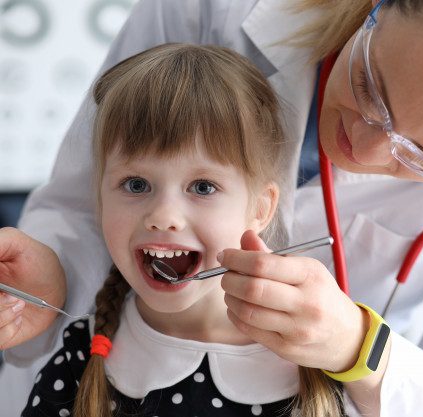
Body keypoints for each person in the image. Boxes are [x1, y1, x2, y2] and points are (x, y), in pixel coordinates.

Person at [1, 0, 423, 416]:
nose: (367, 144)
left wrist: (360, 347)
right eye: (370, 87)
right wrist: (55, 274)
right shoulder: (221, 10)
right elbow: (86, 198)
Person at [20, 42, 356, 417]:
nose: (163, 216)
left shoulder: (314, 360)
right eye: (135, 184)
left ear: (260, 208)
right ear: (99, 198)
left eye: (202, 187)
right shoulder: (82, 358)